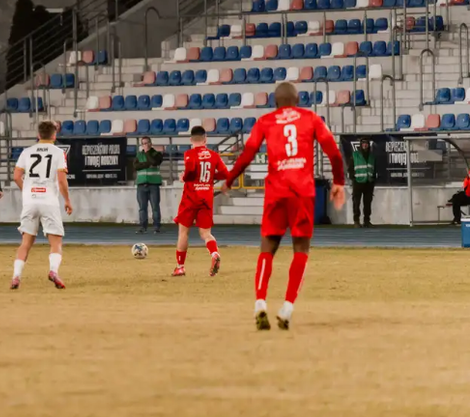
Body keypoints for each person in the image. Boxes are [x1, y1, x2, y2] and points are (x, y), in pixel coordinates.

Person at [224, 82, 346, 331]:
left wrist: (230, 178)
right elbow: (333, 152)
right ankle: (287, 308)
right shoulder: (310, 118)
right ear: (298, 100)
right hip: (302, 191)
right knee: (301, 249)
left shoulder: (266, 121)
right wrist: (339, 182)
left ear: (275, 102)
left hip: (276, 191)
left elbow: (248, 153)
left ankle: (260, 303)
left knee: (267, 248)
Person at [11, 120, 73, 290]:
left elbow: (16, 176)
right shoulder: (58, 153)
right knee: (56, 242)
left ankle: (16, 276)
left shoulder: (27, 152)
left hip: (30, 201)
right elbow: (62, 181)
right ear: (54, 135)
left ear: (38, 135)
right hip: (49, 201)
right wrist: (67, 200)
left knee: (26, 242)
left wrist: (27, 191)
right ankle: (53, 271)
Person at [173, 126, 229, 278]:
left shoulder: (189, 154)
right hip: (206, 197)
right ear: (205, 139)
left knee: (183, 232)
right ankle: (214, 253)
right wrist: (210, 176)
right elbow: (225, 173)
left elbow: (190, 171)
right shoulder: (214, 155)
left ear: (191, 139)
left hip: (191, 197)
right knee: (205, 233)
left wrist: (184, 178)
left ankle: (180, 267)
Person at [134, 136, 163, 234]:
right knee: (142, 207)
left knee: (155, 206)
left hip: (153, 183)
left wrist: (147, 153)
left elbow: (154, 162)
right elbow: (136, 166)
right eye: (143, 143)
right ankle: (143, 226)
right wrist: (147, 164)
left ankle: (156, 226)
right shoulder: (139, 155)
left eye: (146, 143)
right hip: (141, 184)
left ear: (150, 143)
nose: (145, 145)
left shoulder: (156, 154)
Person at [349, 136, 376, 228]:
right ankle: (356, 221)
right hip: (358, 182)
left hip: (369, 182)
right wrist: (353, 178)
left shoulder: (372, 156)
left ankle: (367, 221)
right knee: (356, 202)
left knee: (367, 203)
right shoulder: (355, 155)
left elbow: (374, 169)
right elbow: (350, 168)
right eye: (363, 143)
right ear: (361, 145)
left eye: (366, 143)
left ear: (368, 145)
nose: (365, 145)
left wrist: (373, 179)